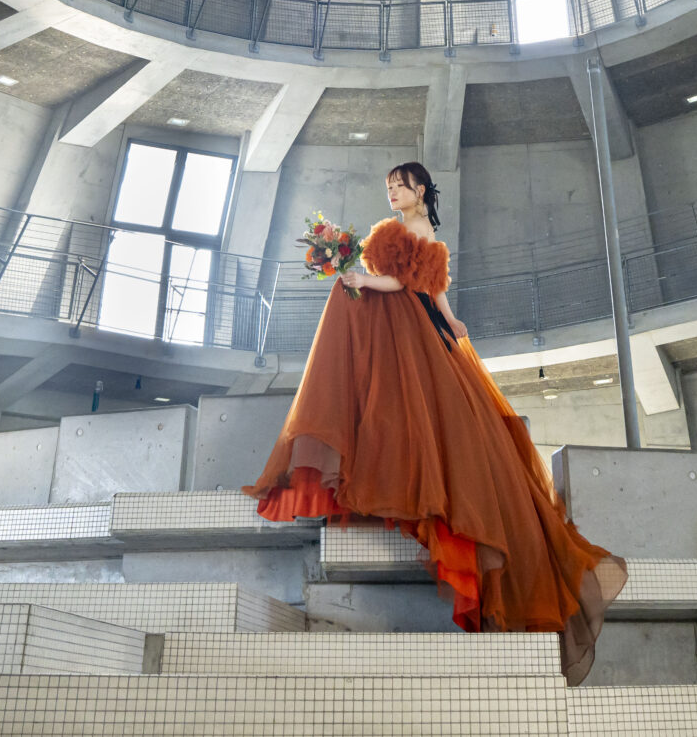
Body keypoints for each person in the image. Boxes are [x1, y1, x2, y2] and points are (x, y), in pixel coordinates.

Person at [248, 161, 625, 684]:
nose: (392, 192)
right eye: (388, 187)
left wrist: (361, 279)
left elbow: (403, 282)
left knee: (398, 396)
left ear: (419, 189)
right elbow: (434, 288)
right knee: (393, 396)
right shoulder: (413, 229)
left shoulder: (416, 228)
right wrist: (449, 319)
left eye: (399, 186)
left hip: (403, 323)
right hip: (409, 322)